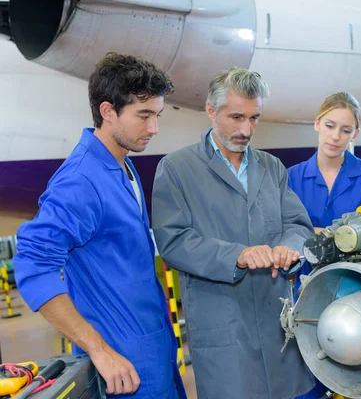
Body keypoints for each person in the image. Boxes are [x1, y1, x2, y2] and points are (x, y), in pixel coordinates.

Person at [14, 53, 186, 399]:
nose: (154, 128)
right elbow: (33, 264)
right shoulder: (81, 181)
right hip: (123, 368)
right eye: (144, 115)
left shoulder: (120, 166)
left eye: (157, 115)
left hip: (154, 352)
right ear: (108, 112)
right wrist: (98, 350)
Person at [152, 67, 315, 399]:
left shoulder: (271, 167)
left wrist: (289, 248)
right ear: (211, 111)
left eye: (254, 118)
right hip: (223, 324)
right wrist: (236, 255)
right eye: (236, 117)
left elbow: (298, 226)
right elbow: (173, 240)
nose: (246, 129)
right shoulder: (177, 169)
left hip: (277, 323)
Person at [287, 92, 361, 399]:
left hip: (357, 287)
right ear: (317, 124)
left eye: (345, 130)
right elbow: (286, 231)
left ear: (355, 133)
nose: (336, 136)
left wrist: (314, 233)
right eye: (330, 126)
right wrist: (344, 233)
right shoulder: (292, 177)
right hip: (305, 288)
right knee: (306, 374)